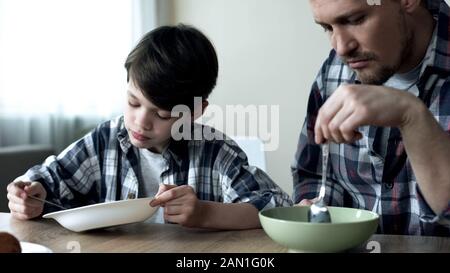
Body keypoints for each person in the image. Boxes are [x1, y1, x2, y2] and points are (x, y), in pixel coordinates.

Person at [6, 24, 292, 230]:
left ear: (194, 113)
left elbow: (277, 208)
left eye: (163, 114)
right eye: (133, 102)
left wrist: (205, 213)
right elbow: (48, 181)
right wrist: (30, 195)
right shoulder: (105, 141)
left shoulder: (215, 153)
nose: (141, 121)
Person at [292, 0, 450, 236]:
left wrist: (413, 116)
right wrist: (318, 210)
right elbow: (313, 174)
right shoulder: (334, 72)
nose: (341, 47)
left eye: (356, 20)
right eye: (327, 28)